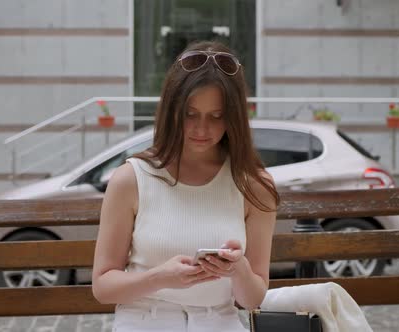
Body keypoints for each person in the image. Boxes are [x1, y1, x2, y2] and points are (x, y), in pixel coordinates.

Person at [92, 40, 279, 332]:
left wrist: (238, 269)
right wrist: (159, 278)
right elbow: (103, 286)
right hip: (144, 321)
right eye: (190, 114)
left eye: (216, 117)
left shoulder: (254, 185)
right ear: (171, 110)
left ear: (234, 119)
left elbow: (253, 298)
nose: (201, 129)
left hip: (219, 323)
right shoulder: (132, 179)